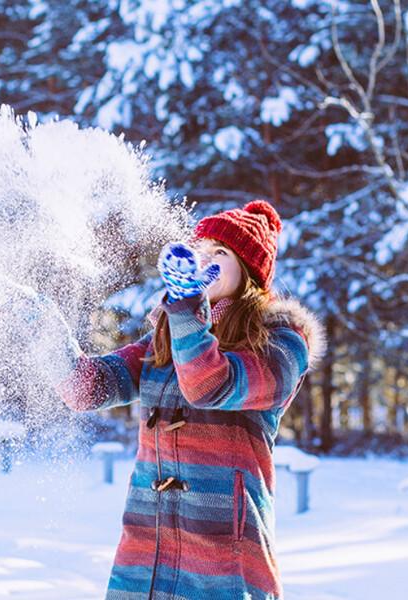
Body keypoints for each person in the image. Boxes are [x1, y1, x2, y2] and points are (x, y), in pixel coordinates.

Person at [49, 200, 325, 600]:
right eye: (201, 250)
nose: (205, 260)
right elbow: (89, 388)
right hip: (147, 555)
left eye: (221, 253)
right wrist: (49, 341)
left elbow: (210, 385)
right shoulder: (167, 335)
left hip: (222, 561)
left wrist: (186, 310)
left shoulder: (281, 342)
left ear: (249, 270)